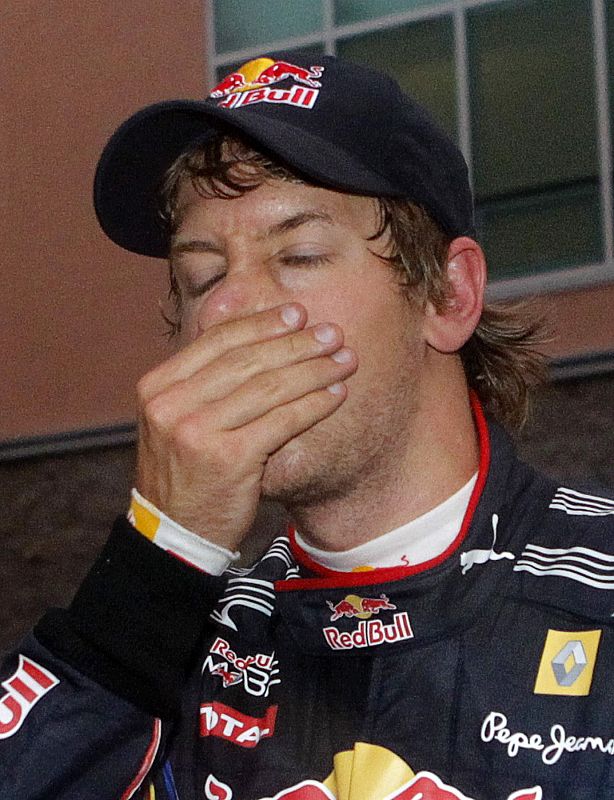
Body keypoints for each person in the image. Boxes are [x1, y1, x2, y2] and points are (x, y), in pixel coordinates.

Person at [2, 53, 614, 800]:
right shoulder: (172, 649)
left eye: (298, 254)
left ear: (449, 296)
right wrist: (155, 565)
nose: (227, 308)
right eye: (201, 276)